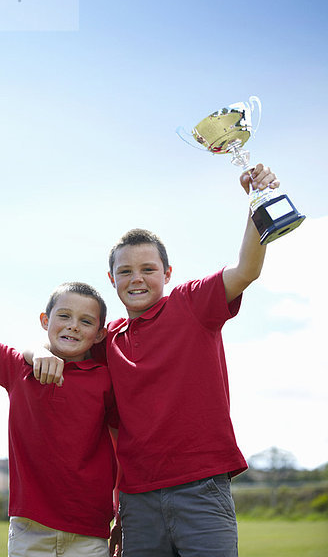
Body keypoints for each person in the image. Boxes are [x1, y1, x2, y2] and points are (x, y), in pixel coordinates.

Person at [28, 164, 280, 557]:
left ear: (167, 273)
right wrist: (40, 350)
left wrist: (256, 202)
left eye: (148, 269)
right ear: (112, 280)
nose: (137, 279)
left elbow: (247, 268)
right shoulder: (106, 340)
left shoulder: (192, 303)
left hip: (201, 488)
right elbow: (62, 344)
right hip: (137, 500)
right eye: (125, 271)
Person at [0, 224, 118, 557]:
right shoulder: (19, 369)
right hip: (30, 532)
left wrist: (125, 515)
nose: (73, 325)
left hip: (90, 532)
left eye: (86, 321)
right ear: (45, 320)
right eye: (65, 316)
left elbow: (123, 447)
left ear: (100, 335)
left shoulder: (107, 380)